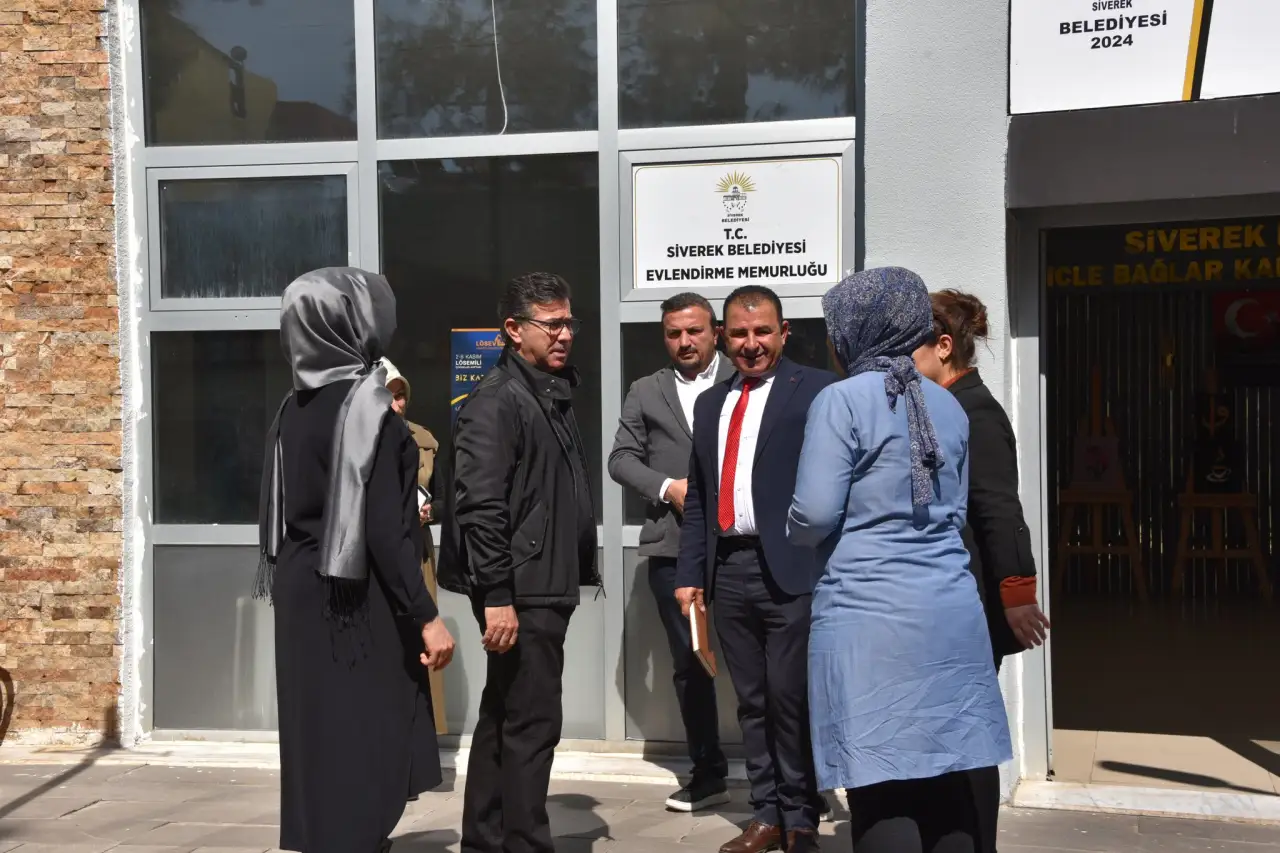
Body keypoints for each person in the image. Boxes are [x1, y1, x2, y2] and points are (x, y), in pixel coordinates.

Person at [787, 267, 1012, 853]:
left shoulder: (841, 400)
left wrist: (793, 527)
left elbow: (814, 514)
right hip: (951, 613)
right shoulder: (949, 405)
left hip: (870, 619)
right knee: (948, 784)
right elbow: (954, 512)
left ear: (853, 331)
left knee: (883, 788)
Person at [257, 267, 455, 853]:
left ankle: (326, 835)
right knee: (370, 724)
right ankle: (355, 838)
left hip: (301, 585)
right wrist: (426, 615)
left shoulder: (293, 407)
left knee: (318, 727)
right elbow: (387, 533)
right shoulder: (372, 416)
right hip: (355, 593)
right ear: (354, 324)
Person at [439, 272, 601, 853]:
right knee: (531, 724)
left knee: (505, 718)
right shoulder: (498, 400)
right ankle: (524, 843)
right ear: (513, 329)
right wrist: (499, 595)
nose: (565, 334)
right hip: (522, 589)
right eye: (551, 324)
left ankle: (487, 840)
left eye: (568, 322)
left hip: (540, 583)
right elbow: (480, 507)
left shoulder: (544, 392)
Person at [674, 285, 835, 853]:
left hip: (792, 570)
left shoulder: (818, 390)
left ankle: (801, 817)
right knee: (751, 701)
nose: (751, 344)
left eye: (762, 331)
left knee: (790, 697)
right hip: (729, 569)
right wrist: (690, 574)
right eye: (739, 333)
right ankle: (765, 814)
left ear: (783, 332)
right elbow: (700, 497)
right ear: (723, 337)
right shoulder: (710, 404)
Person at [608, 291, 735, 812]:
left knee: (763, 662)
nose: (685, 341)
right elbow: (620, 458)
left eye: (694, 331)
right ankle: (708, 773)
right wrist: (667, 488)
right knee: (690, 663)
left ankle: (788, 777)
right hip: (673, 547)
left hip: (740, 546)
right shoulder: (646, 390)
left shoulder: (744, 378)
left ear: (715, 332)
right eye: (674, 333)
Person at [912, 290, 1050, 669]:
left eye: (910, 347)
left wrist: (1018, 594)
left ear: (944, 347)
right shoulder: (938, 405)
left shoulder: (975, 410)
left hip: (972, 601)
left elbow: (998, 508)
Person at [383, 358, 450, 735]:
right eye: (390, 395)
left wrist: (430, 511)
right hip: (380, 553)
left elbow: (444, 498)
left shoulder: (425, 440)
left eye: (401, 395)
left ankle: (423, 733)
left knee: (423, 636)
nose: (397, 403)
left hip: (417, 550)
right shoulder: (361, 437)